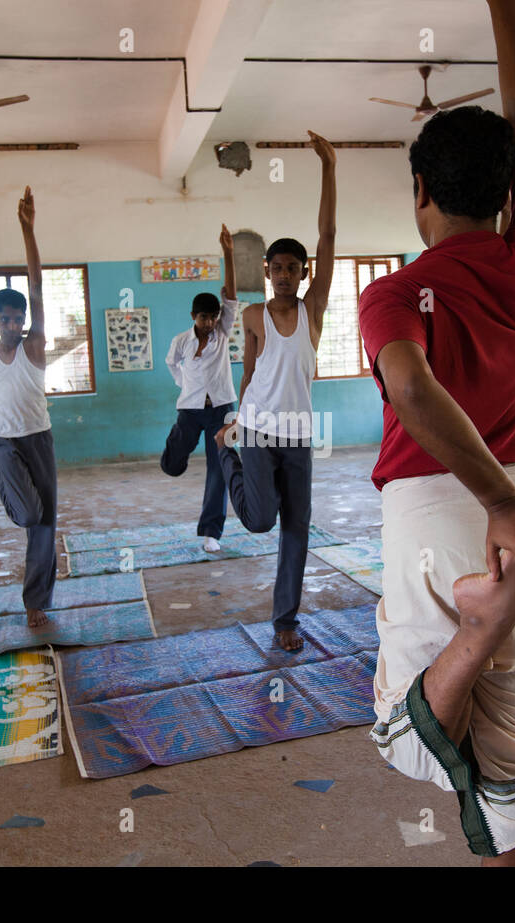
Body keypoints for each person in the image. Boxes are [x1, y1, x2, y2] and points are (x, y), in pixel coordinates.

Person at [357, 0, 515, 865]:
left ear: (419, 193)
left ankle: (475, 628)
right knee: (511, 741)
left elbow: (409, 385)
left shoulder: (395, 294)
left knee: (404, 734)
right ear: (514, 192)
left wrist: (491, 505)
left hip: (445, 518)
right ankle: (493, 631)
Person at [214, 131, 336, 653]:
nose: (284, 275)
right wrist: (236, 424)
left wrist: (329, 168)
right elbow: (249, 371)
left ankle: (285, 620)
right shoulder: (254, 314)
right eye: (276, 268)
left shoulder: (313, 310)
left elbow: (328, 235)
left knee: (297, 529)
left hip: (300, 435)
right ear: (266, 273)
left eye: (293, 268)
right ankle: (226, 458)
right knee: (261, 520)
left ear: (304, 273)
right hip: (259, 430)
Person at [0, 186, 56, 627]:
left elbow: (38, 285)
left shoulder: (35, 346)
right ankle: (3, 478)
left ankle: (35, 601)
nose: (11, 324)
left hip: (38, 438)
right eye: (4, 318)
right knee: (27, 512)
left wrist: (28, 229)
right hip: (4, 440)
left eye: (17, 318)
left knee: (44, 523)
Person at [160, 225, 239, 552]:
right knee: (175, 458)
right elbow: (171, 364)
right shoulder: (181, 340)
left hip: (222, 408)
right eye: (204, 317)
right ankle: (172, 459)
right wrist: (185, 385)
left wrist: (229, 253)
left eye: (214, 317)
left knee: (220, 467)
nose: (209, 322)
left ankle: (211, 533)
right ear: (194, 316)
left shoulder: (222, 333)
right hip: (190, 409)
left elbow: (232, 297)